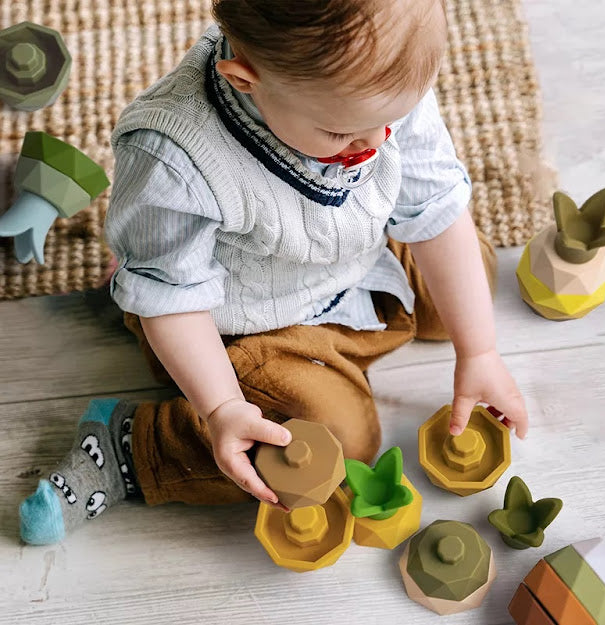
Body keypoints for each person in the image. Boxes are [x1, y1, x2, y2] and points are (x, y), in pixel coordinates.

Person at [19, 0, 528, 545]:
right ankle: (132, 449)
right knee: (337, 443)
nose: (376, 143)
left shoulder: (374, 88)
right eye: (341, 133)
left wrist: (479, 351)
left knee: (470, 262)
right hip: (243, 322)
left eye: (389, 119)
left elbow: (433, 208)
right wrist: (221, 408)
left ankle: (384, 322)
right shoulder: (174, 155)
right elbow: (173, 300)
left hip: (355, 259)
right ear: (244, 80)